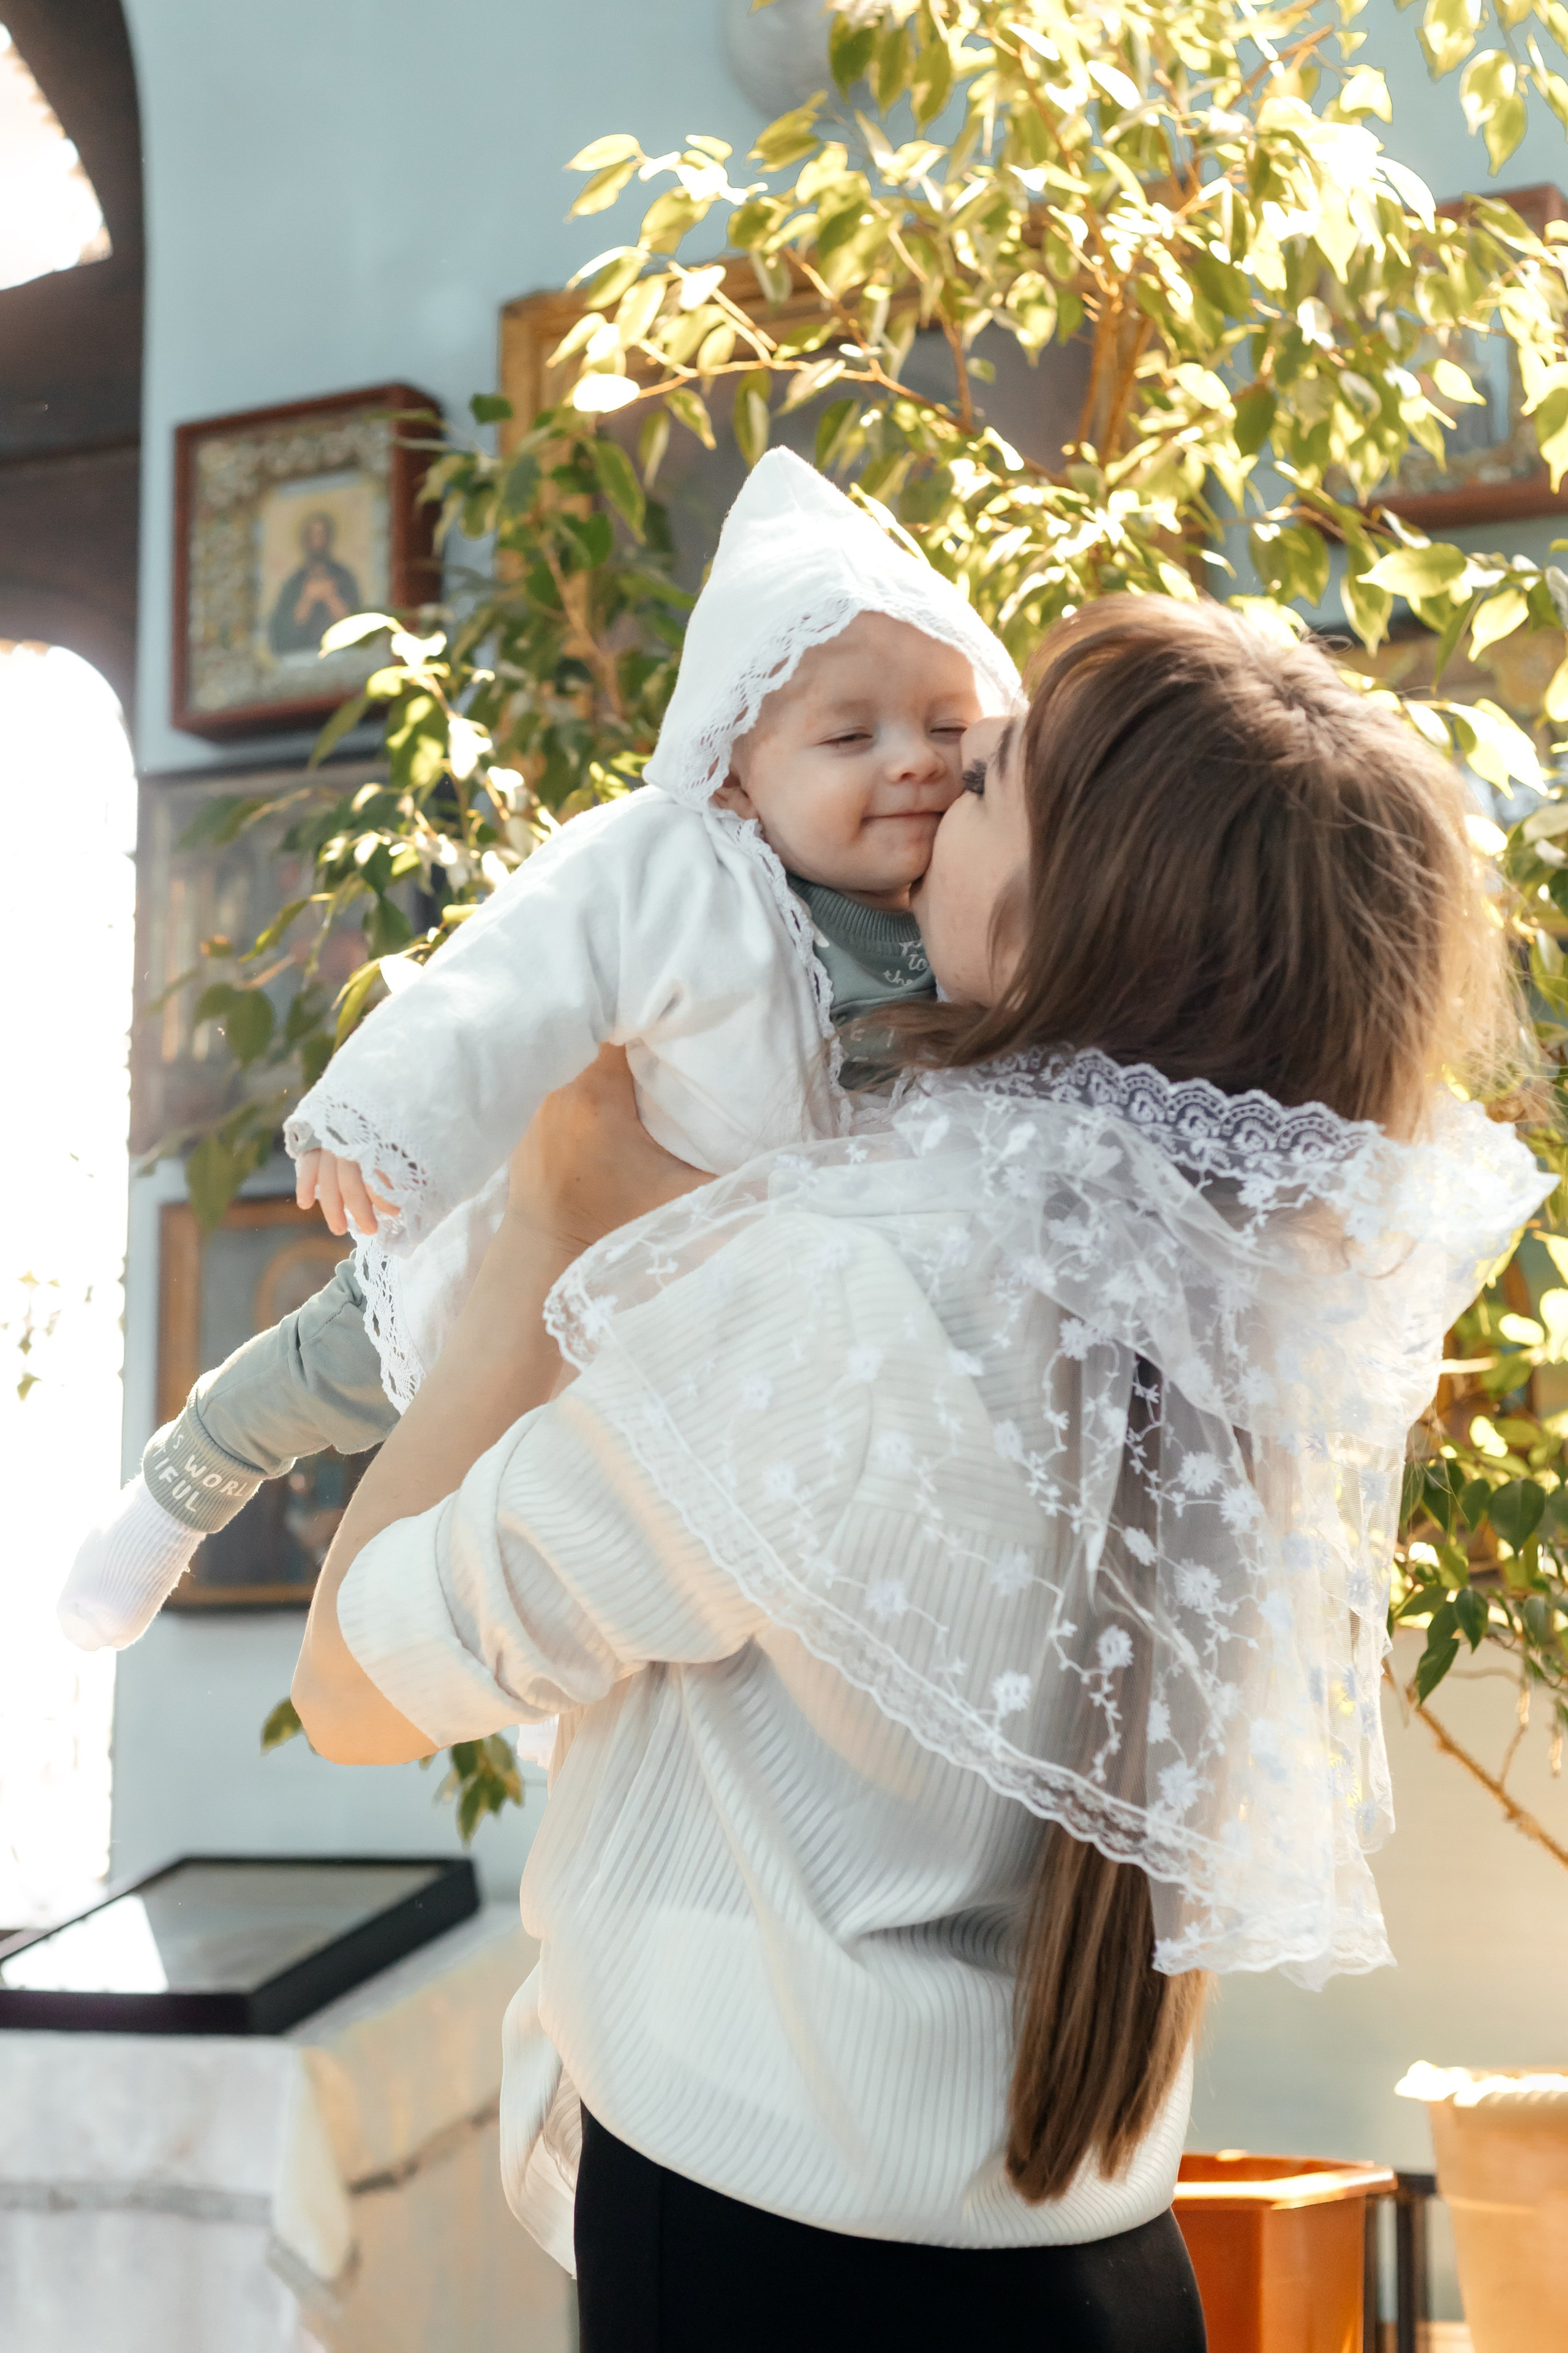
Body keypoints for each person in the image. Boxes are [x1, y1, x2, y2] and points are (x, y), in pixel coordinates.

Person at [290, 597, 1548, 2351]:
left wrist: (544, 1226)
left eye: (991, 777)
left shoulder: (849, 1286)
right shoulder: (1254, 1321)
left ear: (1054, 920)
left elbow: (354, 1680)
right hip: (1113, 2266)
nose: (934, 785)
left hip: (779, 2264)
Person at [58, 450, 1020, 1652]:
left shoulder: (968, 910)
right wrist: (380, 1119)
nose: (913, 760)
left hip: (712, 1321)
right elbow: (509, 974)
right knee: (330, 1366)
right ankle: (180, 1483)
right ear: (732, 774)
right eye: (849, 738)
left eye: (943, 725)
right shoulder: (675, 868)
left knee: (571, 1522)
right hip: (540, 1232)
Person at [266, 510, 363, 658]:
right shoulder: (294, 583)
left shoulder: (344, 577)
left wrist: (331, 597)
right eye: (312, 536)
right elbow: (280, 635)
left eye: (321, 535)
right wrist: (306, 600)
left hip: (341, 658)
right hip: (300, 659)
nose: (317, 541)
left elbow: (360, 626)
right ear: (305, 540)